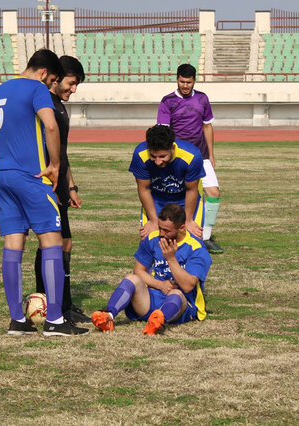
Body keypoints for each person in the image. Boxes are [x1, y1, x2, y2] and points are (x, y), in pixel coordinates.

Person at [0, 49, 88, 336]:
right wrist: (53, 166)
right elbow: (50, 126)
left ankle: (17, 320)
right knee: (52, 241)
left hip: (3, 178)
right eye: (52, 79)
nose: (51, 85)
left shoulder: (1, 90)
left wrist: (2, 164)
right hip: (33, 177)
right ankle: (55, 321)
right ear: (43, 73)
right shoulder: (37, 89)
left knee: (13, 245)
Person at [91, 203, 211, 335]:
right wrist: (160, 284)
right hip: (153, 296)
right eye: (160, 228)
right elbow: (138, 271)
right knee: (131, 278)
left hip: (183, 304)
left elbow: (188, 286)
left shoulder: (196, 249)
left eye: (167, 231)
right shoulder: (153, 238)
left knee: (176, 294)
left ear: (182, 228)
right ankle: (108, 315)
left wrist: (171, 259)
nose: (161, 233)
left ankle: (158, 322)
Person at [33, 55, 89, 323]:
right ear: (57, 77)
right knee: (53, 243)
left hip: (60, 185)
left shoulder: (59, 107)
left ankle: (59, 301)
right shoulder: (45, 105)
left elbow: (61, 154)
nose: (73, 89)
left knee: (62, 243)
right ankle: (50, 302)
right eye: (71, 83)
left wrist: (71, 186)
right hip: (45, 184)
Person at [157, 63, 224, 254]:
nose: (185, 85)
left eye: (188, 82)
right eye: (182, 82)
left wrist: (210, 155)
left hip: (201, 157)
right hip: (178, 159)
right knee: (178, 196)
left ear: (194, 81)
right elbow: (163, 132)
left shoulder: (202, 99)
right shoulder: (168, 101)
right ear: (176, 80)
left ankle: (206, 237)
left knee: (213, 193)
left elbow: (207, 127)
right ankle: (172, 234)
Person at [129, 124, 205, 243]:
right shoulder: (140, 155)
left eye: (162, 156)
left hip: (185, 199)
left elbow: (191, 190)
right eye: (153, 156)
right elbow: (144, 189)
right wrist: (154, 221)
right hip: (156, 199)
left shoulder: (192, 156)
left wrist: (188, 221)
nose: (158, 162)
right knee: (151, 241)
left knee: (190, 241)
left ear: (173, 149)